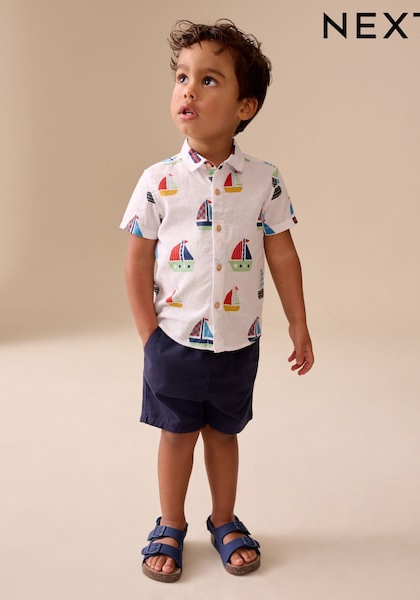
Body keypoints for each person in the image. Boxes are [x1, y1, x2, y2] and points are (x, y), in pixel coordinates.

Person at [120, 19, 314, 583]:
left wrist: (299, 324)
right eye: (182, 77)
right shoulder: (157, 180)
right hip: (173, 342)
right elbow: (136, 262)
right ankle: (171, 524)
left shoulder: (263, 180)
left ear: (244, 106)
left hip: (237, 341)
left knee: (224, 436)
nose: (189, 90)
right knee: (176, 435)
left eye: (209, 80)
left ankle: (224, 520)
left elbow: (283, 256)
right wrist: (148, 337)